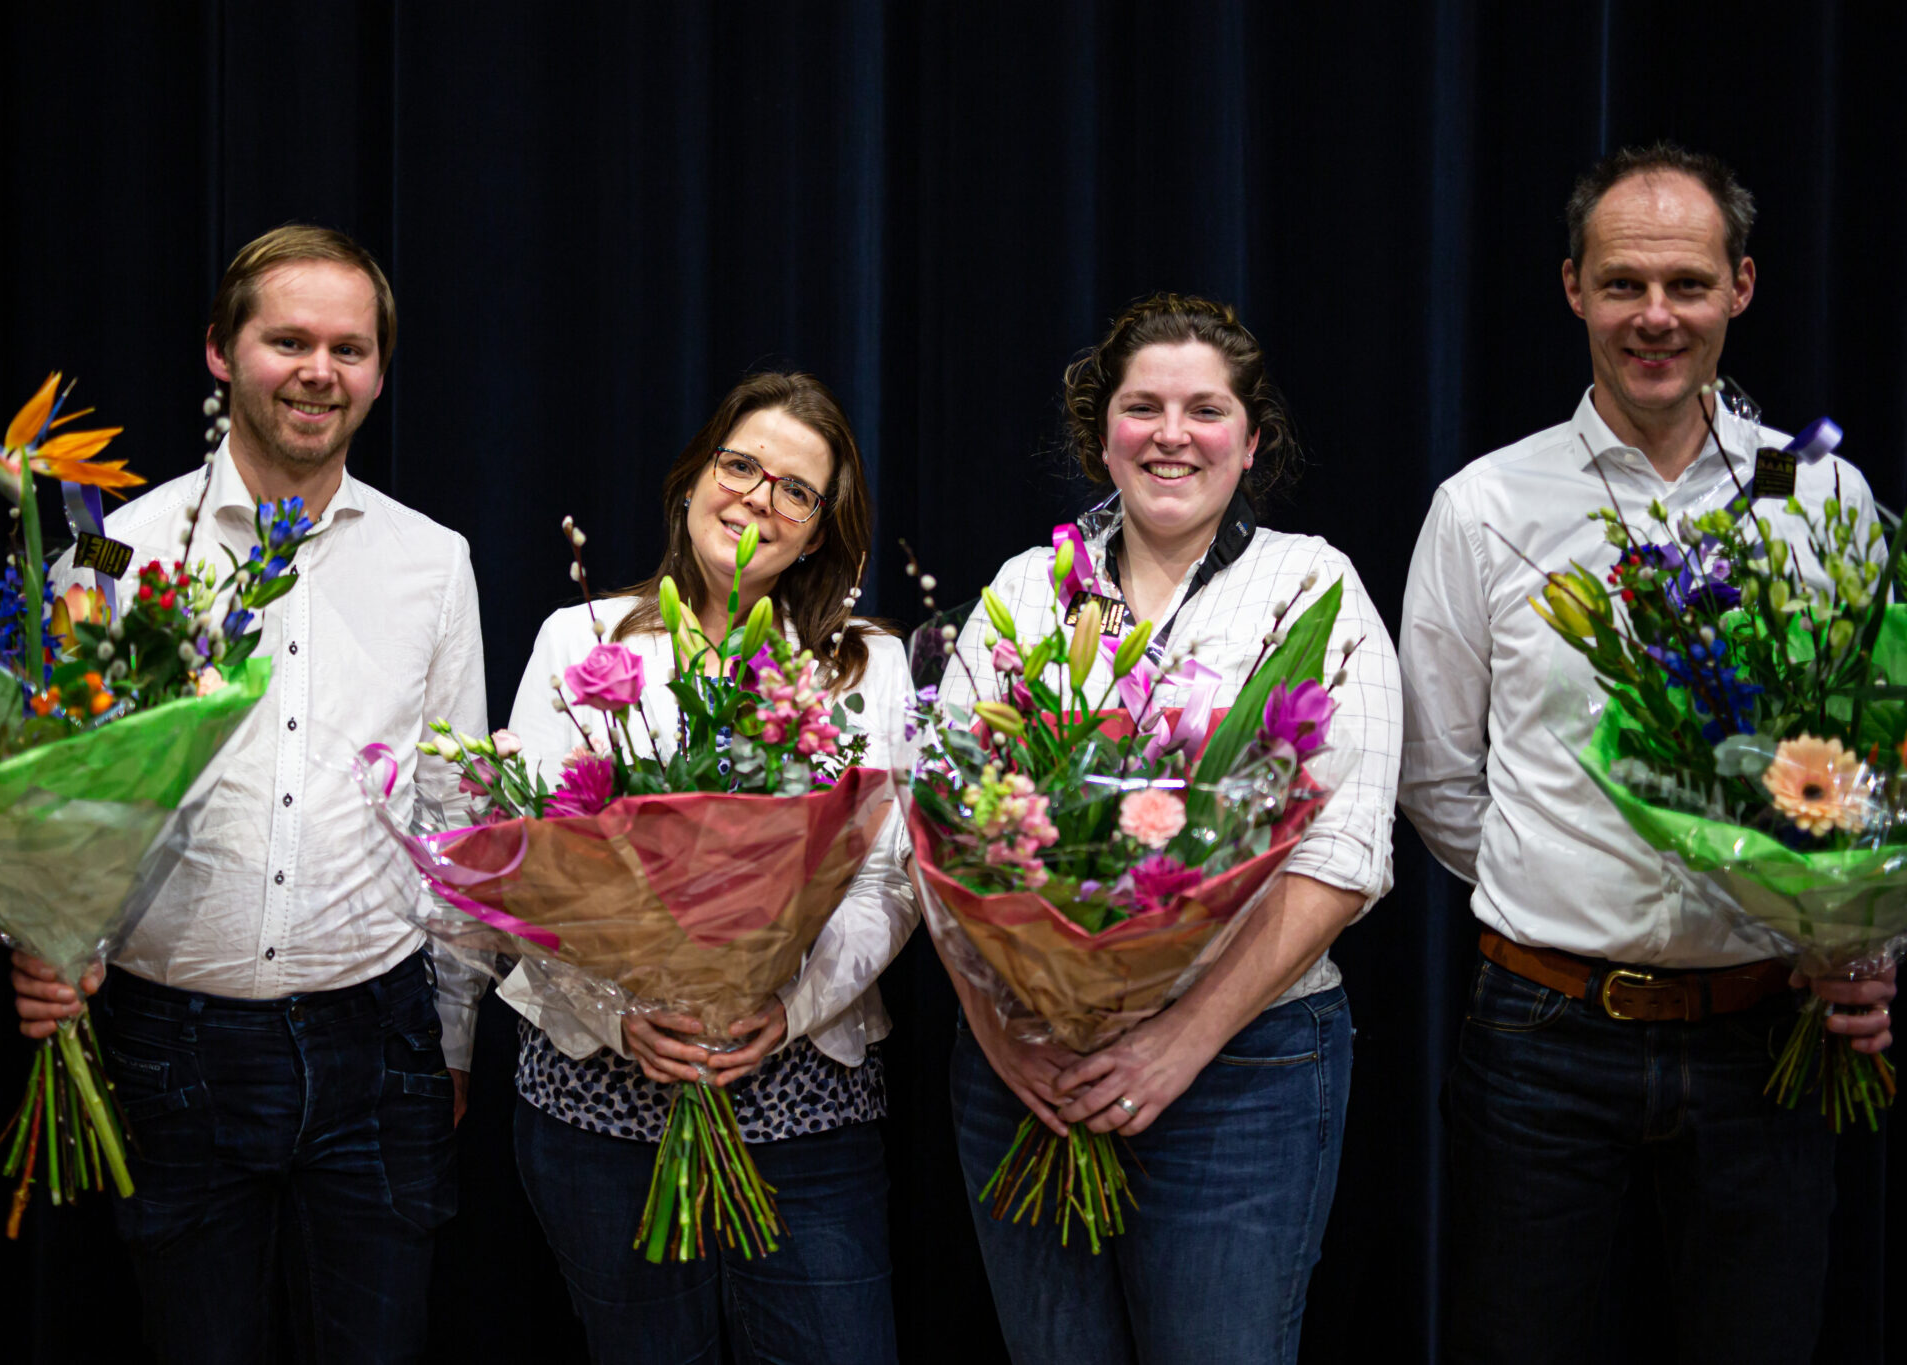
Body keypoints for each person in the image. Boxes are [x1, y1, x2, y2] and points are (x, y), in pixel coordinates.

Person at [1399, 142, 1897, 1363]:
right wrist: (1560, 879)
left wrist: (1847, 927)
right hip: (1541, 1038)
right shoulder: (1486, 506)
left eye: (1685, 283)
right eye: (1622, 284)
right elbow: (1432, 776)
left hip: (1763, 1033)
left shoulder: (1817, 493)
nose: (1654, 317)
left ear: (1740, 286)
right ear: (1571, 288)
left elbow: (1876, 757)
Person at [10, 225, 488, 1363]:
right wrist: (41, 934)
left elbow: (455, 813)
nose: (319, 370)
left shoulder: (432, 560)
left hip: (381, 1047)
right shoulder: (115, 549)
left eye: (350, 348)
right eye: (288, 341)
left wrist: (455, 1040)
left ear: (377, 370)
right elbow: (55, 791)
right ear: (222, 353)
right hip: (168, 1044)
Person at [942, 293, 1402, 1365]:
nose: (1170, 435)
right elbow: (939, 838)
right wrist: (997, 1031)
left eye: (1204, 409)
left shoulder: (1309, 587)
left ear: (1250, 441)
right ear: (1099, 432)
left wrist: (1177, 1044)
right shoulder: (1026, 588)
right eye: (1141, 407)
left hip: (1244, 1070)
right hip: (1027, 1073)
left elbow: (1344, 854)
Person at [501, 370, 914, 1365]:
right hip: (598, 1101)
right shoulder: (581, 640)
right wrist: (621, 1015)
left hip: (804, 1100)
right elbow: (525, 861)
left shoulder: (866, 665)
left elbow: (889, 879)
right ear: (692, 481)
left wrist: (794, 1007)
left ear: (816, 533)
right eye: (739, 466)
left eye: (794, 490)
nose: (755, 500)